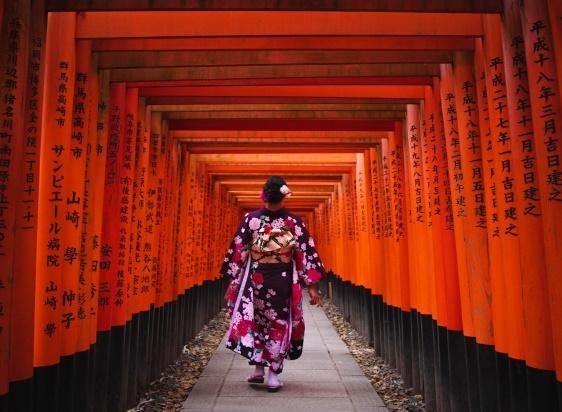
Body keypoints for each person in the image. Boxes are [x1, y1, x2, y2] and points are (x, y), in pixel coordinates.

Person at [220, 176, 325, 392]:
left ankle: (258, 369)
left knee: (257, 322)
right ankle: (272, 375)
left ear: (264, 195)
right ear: (284, 195)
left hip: (256, 279)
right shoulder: (293, 222)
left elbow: (239, 252)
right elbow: (305, 253)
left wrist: (233, 282)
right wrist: (312, 287)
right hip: (282, 279)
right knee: (278, 324)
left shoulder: (251, 219)